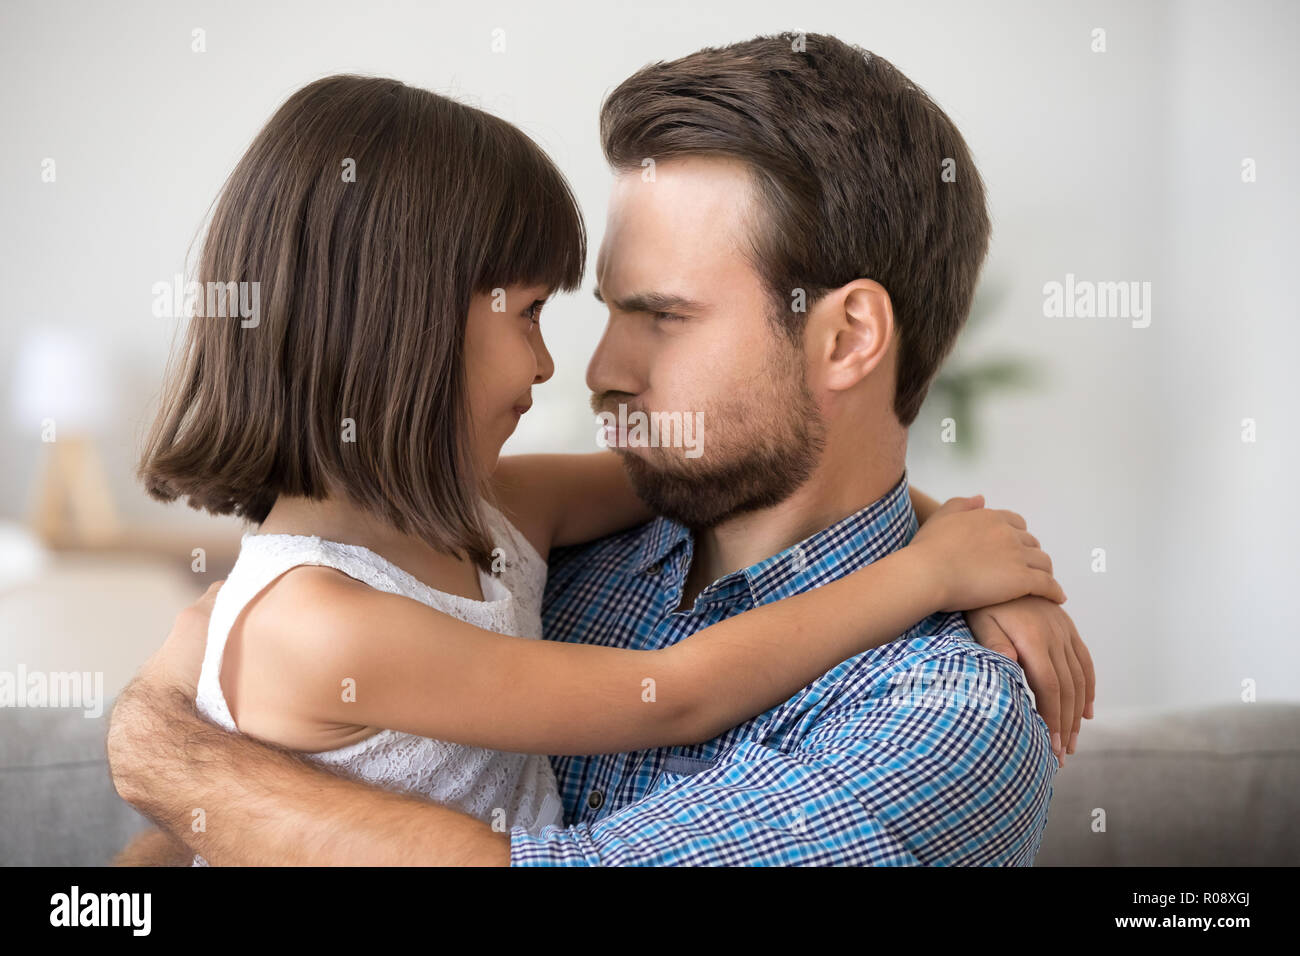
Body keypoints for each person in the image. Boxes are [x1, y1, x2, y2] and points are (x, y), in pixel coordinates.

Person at [109, 35, 1094, 866]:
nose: (589, 371)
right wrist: (944, 555)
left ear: (843, 339)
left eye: (662, 316)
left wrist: (948, 561)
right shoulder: (542, 557)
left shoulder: (941, 715)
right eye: (578, 310)